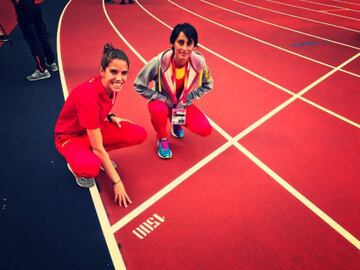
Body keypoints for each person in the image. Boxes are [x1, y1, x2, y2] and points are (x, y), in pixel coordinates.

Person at [54, 43, 147, 207]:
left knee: (138, 134)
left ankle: (94, 156)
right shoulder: (89, 97)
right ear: (102, 71)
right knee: (91, 167)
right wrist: (117, 182)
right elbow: (97, 146)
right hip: (70, 137)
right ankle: (76, 165)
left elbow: (102, 108)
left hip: (92, 128)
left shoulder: (111, 87)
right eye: (113, 71)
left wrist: (111, 116)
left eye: (124, 73)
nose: (119, 78)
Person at [134, 23, 213, 159]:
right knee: (159, 110)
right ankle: (162, 138)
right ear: (172, 43)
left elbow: (208, 84)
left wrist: (187, 99)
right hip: (162, 103)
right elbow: (138, 84)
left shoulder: (199, 63)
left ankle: (176, 122)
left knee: (205, 129)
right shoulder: (159, 62)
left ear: (195, 47)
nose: (184, 48)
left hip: (181, 104)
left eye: (189, 44)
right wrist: (162, 98)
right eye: (180, 42)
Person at [11, 0, 58, 81]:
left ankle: (41, 70)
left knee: (32, 39)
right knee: (42, 35)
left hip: (24, 7)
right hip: (35, 5)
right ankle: (51, 63)